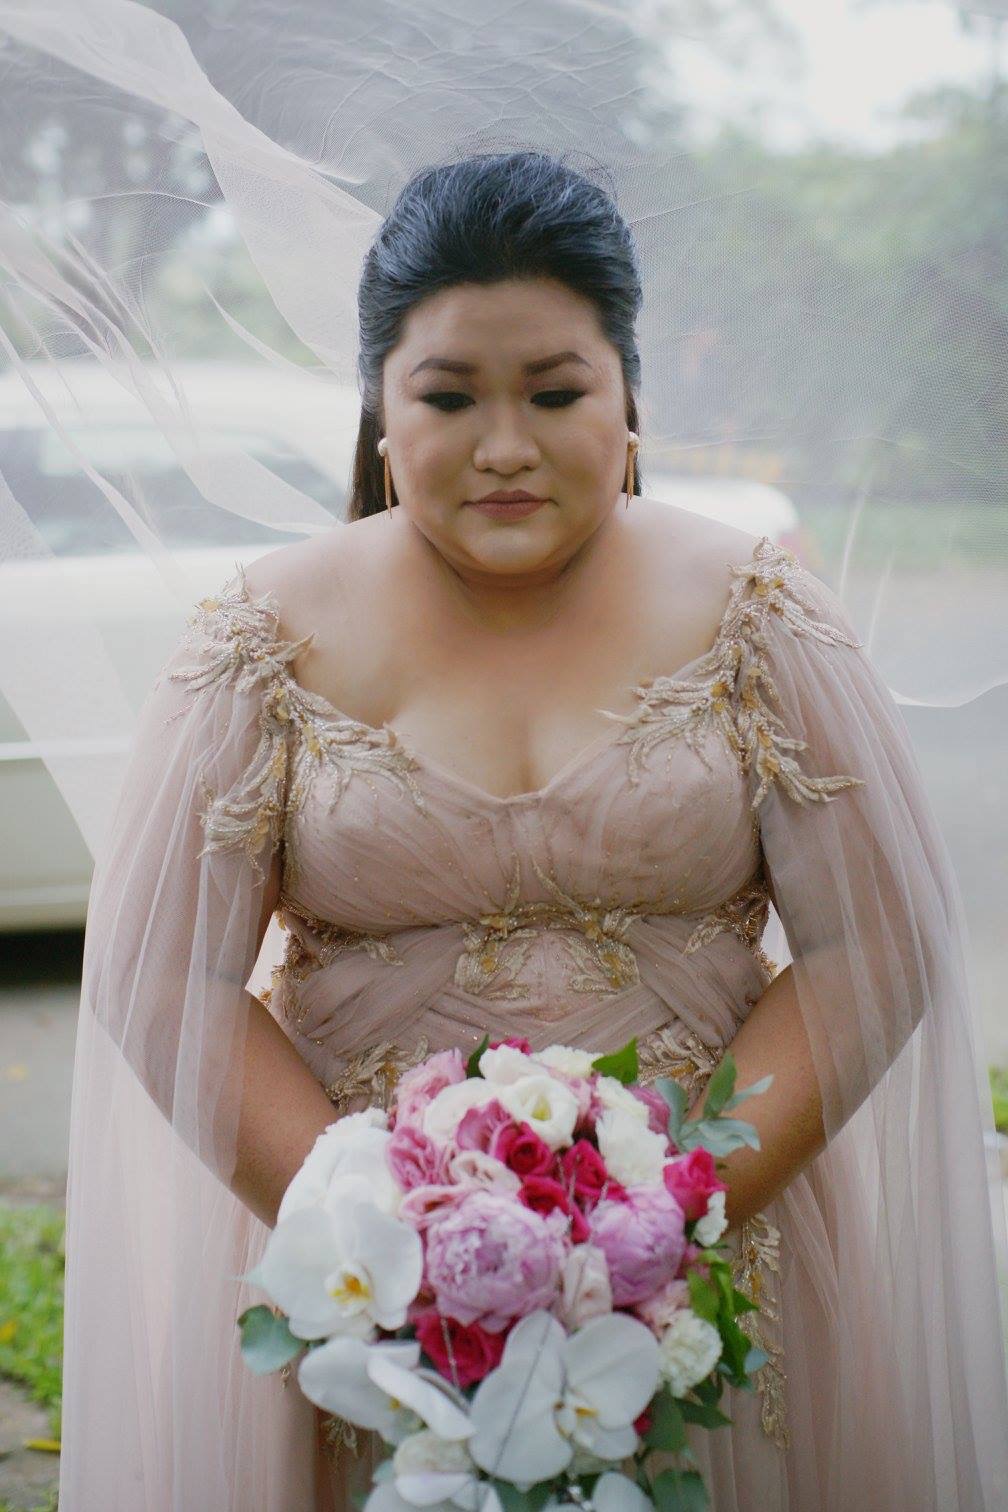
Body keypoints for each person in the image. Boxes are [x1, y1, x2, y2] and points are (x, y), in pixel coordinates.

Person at [56, 151, 1008, 1512]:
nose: (505, 446)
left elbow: (877, 946)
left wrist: (667, 1218)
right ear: (381, 408)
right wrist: (391, 1242)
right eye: (450, 397)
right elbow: (162, 978)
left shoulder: (756, 614)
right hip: (364, 1309)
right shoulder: (264, 635)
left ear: (628, 396)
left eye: (556, 393)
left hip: (710, 1267)